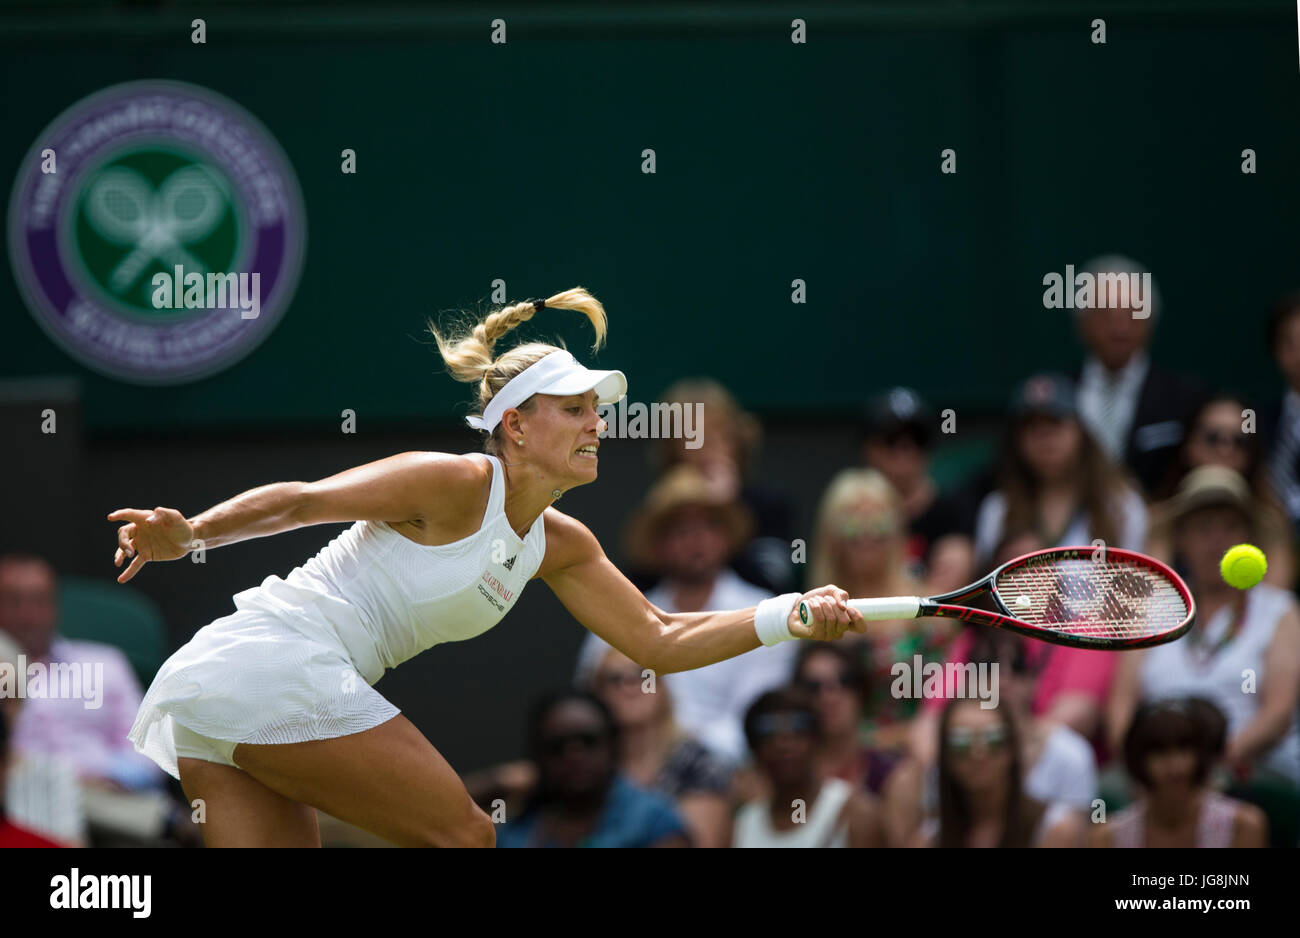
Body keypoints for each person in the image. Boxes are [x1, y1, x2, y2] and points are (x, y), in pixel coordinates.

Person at [113, 288, 865, 847]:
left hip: (234, 689)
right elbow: (302, 502)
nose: (596, 425)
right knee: (470, 836)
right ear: (516, 423)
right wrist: (193, 534)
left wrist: (788, 614)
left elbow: (659, 637)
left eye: (595, 412)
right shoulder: (455, 481)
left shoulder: (560, 542)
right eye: (574, 410)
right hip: (271, 660)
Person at [575, 463, 797, 762]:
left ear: (726, 537)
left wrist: (681, 751)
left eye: (708, 527)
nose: (696, 540)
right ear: (659, 545)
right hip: (629, 768)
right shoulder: (620, 609)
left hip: (732, 773)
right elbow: (589, 698)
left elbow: (756, 716)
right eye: (681, 530)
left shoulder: (765, 611)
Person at [1108, 465, 1300, 790]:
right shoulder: (1151, 610)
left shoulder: (1279, 610)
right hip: (1154, 775)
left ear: (1248, 539)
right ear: (1181, 539)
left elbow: (1278, 714)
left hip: (1248, 773)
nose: (1216, 540)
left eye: (1229, 527)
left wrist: (1205, 767)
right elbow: (1120, 706)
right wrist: (1144, 762)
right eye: (1203, 527)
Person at [808, 469, 958, 756]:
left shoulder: (927, 609)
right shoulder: (814, 609)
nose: (866, 531)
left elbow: (948, 706)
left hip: (914, 758)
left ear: (897, 528)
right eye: (851, 520)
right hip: (834, 763)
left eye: (879, 520)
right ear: (831, 534)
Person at [1071, 254, 1206, 497]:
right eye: (1105, 314)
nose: (1119, 328)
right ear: (1082, 323)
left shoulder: (1186, 398)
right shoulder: (1059, 394)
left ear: (1151, 321)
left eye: (1132, 313)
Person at [650, 378, 796, 593]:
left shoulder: (771, 505)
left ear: (737, 440)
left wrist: (729, 508)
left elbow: (776, 583)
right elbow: (644, 587)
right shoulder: (659, 507)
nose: (708, 446)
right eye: (693, 435)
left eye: (718, 433)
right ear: (673, 449)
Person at [495, 691, 688, 848]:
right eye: (557, 746)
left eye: (589, 741)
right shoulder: (517, 829)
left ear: (613, 746)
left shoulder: (651, 819)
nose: (574, 756)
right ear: (538, 755)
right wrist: (496, 783)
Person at [1149, 392, 1293, 586]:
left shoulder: (1272, 522)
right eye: (1212, 438)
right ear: (1189, 445)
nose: (1225, 449)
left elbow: (1276, 602)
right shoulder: (1159, 518)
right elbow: (1153, 594)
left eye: (1239, 441)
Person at [1090, 698, 1267, 848]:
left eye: (1183, 749)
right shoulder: (1106, 838)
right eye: (1159, 752)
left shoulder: (1243, 826)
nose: (1175, 766)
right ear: (1138, 761)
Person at [913, 697, 1083, 848]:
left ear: (1012, 749)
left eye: (993, 739)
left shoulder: (1053, 828)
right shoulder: (930, 839)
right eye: (961, 742)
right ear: (945, 756)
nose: (978, 753)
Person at [732, 687, 883, 847]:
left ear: (817, 742)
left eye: (796, 733)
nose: (783, 745)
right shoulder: (743, 824)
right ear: (755, 751)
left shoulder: (857, 814)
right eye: (770, 736)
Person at [859, 387, 975, 595]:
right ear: (868, 448)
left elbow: (942, 602)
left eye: (917, 440)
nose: (904, 451)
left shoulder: (954, 512)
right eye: (890, 440)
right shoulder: (852, 509)